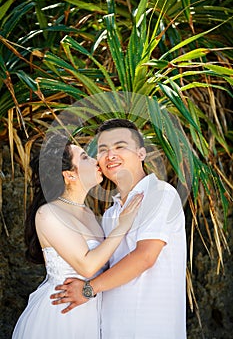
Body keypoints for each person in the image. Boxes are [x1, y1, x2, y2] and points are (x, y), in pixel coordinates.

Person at [51, 119, 187, 338]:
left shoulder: (159, 194)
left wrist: (88, 289)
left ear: (141, 153)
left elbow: (145, 257)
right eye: (103, 150)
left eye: (120, 146)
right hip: (111, 329)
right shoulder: (110, 214)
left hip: (151, 328)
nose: (110, 155)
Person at [12, 133, 143, 339]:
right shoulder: (48, 214)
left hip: (91, 311)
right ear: (69, 175)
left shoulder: (89, 213)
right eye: (84, 158)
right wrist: (123, 225)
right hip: (63, 313)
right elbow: (88, 266)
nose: (94, 160)